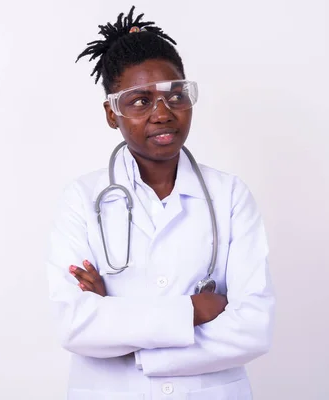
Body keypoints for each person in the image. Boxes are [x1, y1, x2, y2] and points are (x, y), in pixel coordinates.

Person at [45, 6, 275, 400]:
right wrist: (193, 311)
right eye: (140, 101)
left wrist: (122, 327)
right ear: (111, 113)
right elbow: (75, 325)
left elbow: (253, 327)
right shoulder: (81, 200)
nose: (163, 114)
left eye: (176, 96)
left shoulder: (231, 196)